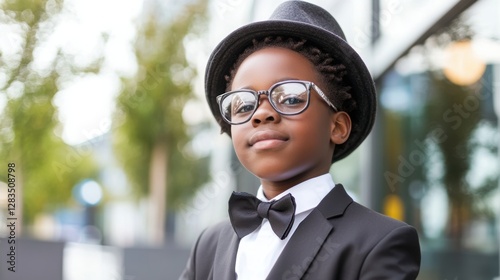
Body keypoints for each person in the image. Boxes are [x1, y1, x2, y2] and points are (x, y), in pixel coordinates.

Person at [179, 1, 421, 279]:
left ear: (337, 126)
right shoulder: (208, 244)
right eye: (244, 105)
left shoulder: (378, 243)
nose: (262, 114)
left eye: (291, 98)